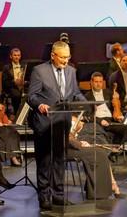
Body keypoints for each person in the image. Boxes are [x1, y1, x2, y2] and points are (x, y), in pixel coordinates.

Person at [27, 41, 87, 210]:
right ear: (53, 55)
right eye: (62, 57)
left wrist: (87, 103)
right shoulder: (39, 71)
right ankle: (44, 197)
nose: (66, 61)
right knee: (45, 161)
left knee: (60, 160)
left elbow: (75, 93)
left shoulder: (71, 71)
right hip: (45, 122)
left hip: (63, 122)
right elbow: (32, 96)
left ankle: (58, 195)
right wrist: (40, 105)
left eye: (68, 57)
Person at [69, 115, 125, 199]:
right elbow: (69, 135)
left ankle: (111, 183)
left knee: (100, 146)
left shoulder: (74, 115)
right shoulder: (60, 116)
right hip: (78, 137)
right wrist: (78, 141)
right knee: (98, 151)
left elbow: (84, 119)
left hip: (88, 128)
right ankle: (112, 183)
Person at [85, 72, 127, 145]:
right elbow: (87, 115)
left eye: (100, 82)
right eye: (96, 82)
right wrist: (100, 121)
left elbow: (119, 105)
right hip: (99, 122)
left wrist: (121, 114)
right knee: (125, 130)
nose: (98, 84)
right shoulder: (87, 96)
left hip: (111, 120)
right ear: (91, 82)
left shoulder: (109, 92)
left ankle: (121, 148)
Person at [2, 47, 27, 114]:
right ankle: (17, 114)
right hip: (12, 88)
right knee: (16, 95)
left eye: (18, 55)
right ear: (11, 56)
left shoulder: (24, 66)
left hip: (24, 87)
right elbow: (4, 83)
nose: (17, 57)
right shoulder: (6, 68)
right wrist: (14, 82)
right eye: (15, 55)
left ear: (20, 56)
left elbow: (28, 79)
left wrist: (24, 82)